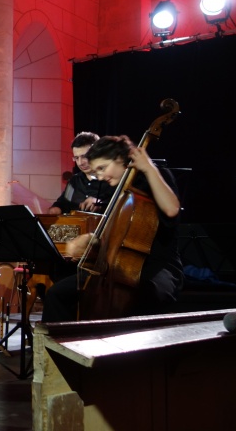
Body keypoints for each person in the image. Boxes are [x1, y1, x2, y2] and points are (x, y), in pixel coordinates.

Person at [42, 135, 183, 322]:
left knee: (144, 295)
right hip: (115, 266)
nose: (100, 177)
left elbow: (172, 209)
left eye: (102, 168)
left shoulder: (157, 175)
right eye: (96, 171)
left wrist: (149, 168)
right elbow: (116, 230)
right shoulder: (114, 189)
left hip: (157, 265)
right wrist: (90, 239)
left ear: (120, 159)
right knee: (57, 293)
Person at [48, 132, 115, 215]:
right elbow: (63, 203)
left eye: (84, 156)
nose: (80, 163)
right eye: (76, 158)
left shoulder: (112, 178)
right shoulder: (74, 181)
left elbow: (121, 204)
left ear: (98, 153)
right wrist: (56, 209)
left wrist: (100, 203)